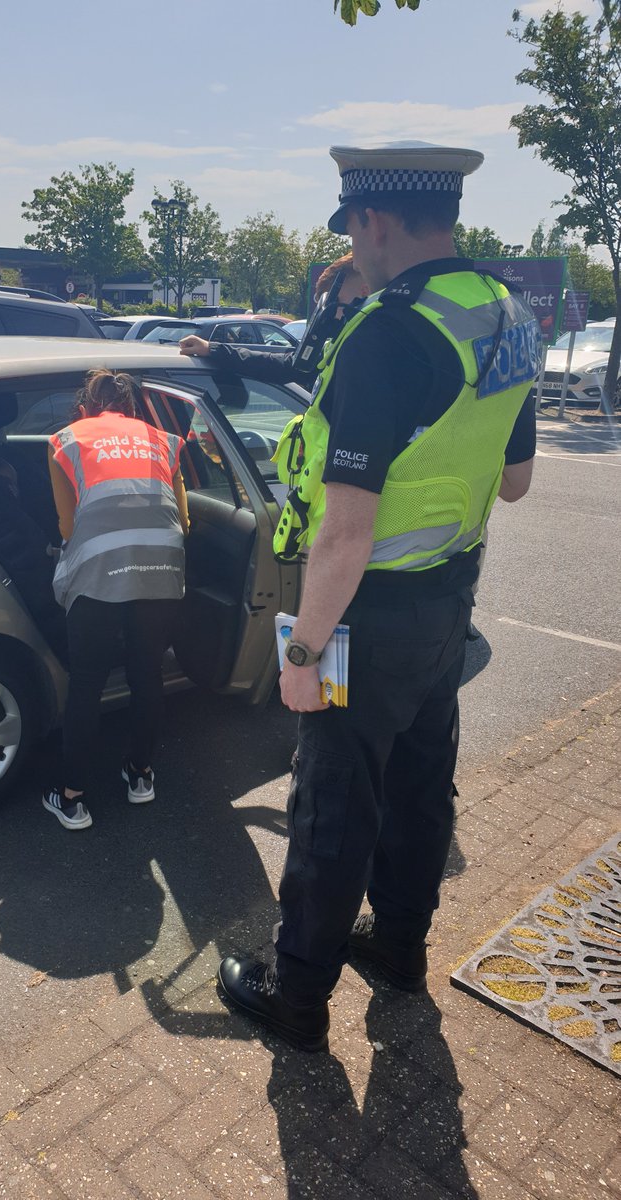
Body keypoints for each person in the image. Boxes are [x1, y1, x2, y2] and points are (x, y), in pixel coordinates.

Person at [213, 143, 539, 1052]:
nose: (353, 247)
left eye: (353, 227)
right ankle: (398, 949)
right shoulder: (503, 311)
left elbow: (345, 532)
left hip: (369, 609)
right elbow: (513, 482)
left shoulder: (389, 332)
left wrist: (305, 654)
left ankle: (298, 996)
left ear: (375, 221)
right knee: (421, 781)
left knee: (332, 801)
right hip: (449, 598)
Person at [43, 368, 189, 830]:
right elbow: (184, 521)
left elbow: (67, 528)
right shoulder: (163, 439)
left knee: (86, 682)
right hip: (161, 570)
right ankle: (141, 776)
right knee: (147, 673)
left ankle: (72, 798)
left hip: (101, 574)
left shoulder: (66, 440)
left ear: (86, 409)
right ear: (131, 411)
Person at [178, 253, 368, 386]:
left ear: (365, 292)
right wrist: (212, 349)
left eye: (336, 303)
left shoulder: (370, 351)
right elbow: (282, 366)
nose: (329, 317)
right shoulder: (337, 348)